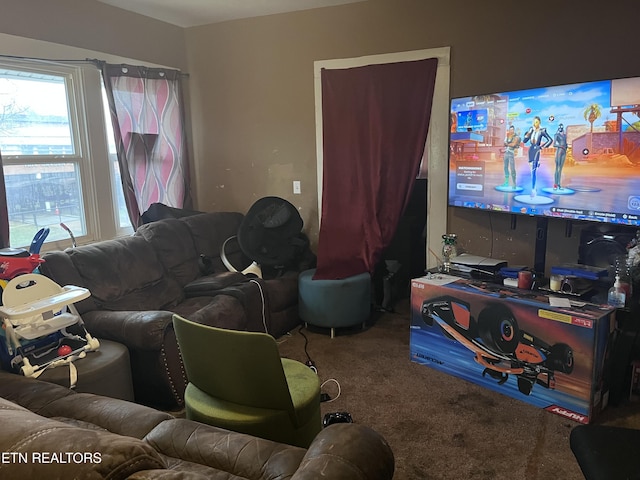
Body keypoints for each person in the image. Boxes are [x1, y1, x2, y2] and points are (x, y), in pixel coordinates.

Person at [522, 116, 553, 196]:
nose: (535, 124)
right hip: (531, 150)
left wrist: (542, 147)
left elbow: (550, 140)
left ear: (539, 122)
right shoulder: (531, 129)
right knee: (531, 170)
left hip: (537, 151)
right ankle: (533, 188)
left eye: (536, 122)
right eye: (534, 122)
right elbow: (524, 141)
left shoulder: (542, 130)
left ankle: (533, 189)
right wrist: (528, 133)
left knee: (533, 171)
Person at [553, 124, 567, 189]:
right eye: (560, 127)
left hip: (564, 151)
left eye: (562, 127)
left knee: (560, 169)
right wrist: (560, 146)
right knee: (557, 168)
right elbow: (554, 144)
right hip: (559, 151)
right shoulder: (556, 135)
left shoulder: (564, 135)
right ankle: (555, 184)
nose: (561, 128)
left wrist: (566, 147)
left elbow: (565, 143)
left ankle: (559, 184)